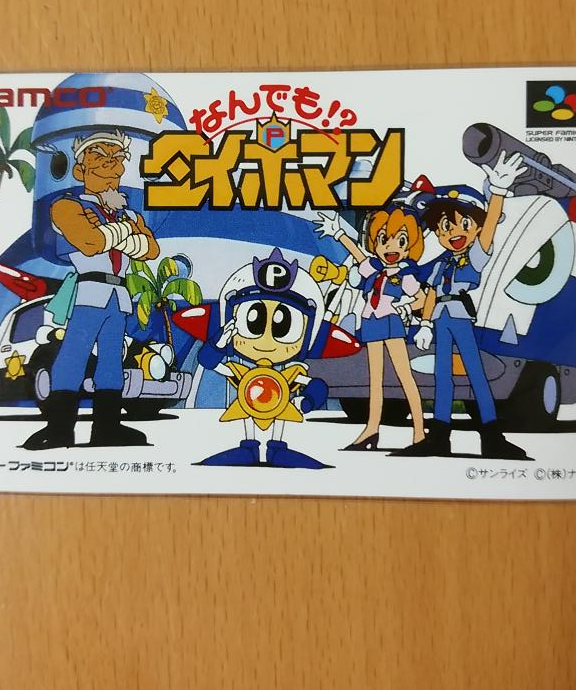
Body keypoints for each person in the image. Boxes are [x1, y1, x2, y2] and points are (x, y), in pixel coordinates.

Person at [21, 130, 160, 450]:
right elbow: (90, 242)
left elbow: (150, 249)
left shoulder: (127, 212)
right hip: (90, 291)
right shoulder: (66, 207)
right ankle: (58, 429)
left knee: (111, 362)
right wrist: (126, 234)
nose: (111, 166)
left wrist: (119, 233)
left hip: (118, 295)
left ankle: (107, 428)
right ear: (80, 170)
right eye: (100, 159)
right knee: (73, 355)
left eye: (117, 160)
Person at [397, 151, 530, 459]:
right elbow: (430, 291)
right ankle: (439, 436)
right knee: (442, 376)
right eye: (444, 228)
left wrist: (498, 192)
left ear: (476, 226)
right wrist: (424, 323)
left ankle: (492, 436)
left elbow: (491, 224)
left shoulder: (476, 255)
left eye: (462, 224)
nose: (452, 233)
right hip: (440, 319)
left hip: (460, 317)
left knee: (475, 373)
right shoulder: (441, 262)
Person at [173, 248, 351, 468]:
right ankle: (249, 446)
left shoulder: (290, 373)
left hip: (282, 404)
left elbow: (317, 386)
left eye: (283, 327)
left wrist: (305, 402)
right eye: (254, 323)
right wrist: (219, 342)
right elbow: (208, 361)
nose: (266, 339)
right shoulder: (241, 371)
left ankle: (277, 447)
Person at [314, 207, 426, 451]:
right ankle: (371, 429)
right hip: (371, 322)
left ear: (410, 246)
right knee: (375, 380)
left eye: (400, 240)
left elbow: (422, 299)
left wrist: (405, 307)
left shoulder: (405, 275)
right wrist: (338, 233)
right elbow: (358, 255)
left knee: (405, 376)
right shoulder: (374, 269)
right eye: (384, 239)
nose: (390, 247)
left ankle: (419, 433)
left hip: (391, 322)